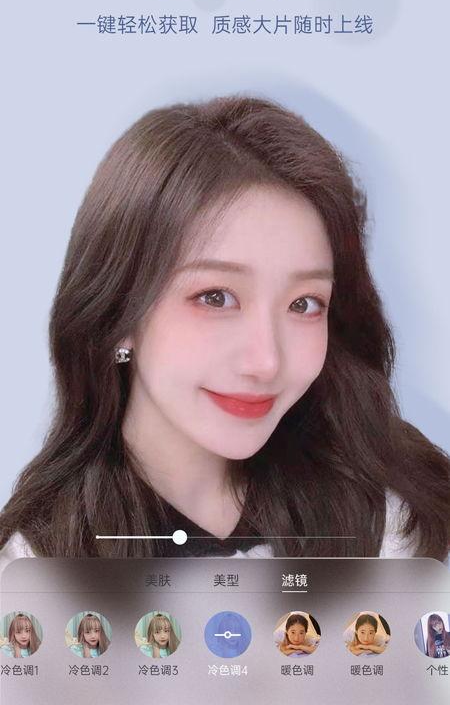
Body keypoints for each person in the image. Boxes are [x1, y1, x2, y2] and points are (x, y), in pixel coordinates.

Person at [0, 95, 449, 566]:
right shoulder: (37, 572)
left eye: (304, 304)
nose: (266, 362)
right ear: (119, 312)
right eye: (215, 297)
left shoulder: (393, 526)